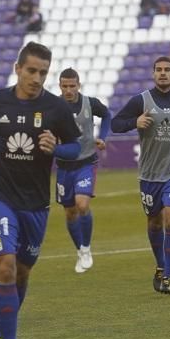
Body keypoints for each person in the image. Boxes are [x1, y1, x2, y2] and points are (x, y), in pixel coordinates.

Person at [0, 41, 81, 339]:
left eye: (43, 73)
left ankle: (0, 329)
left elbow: (76, 146)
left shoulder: (56, 108)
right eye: (31, 70)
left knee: (22, 273)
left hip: (36, 202)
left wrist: (58, 148)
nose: (36, 78)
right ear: (18, 68)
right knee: (5, 266)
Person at [111, 56, 170, 294]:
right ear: (153, 74)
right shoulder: (140, 100)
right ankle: (160, 266)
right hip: (150, 173)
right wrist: (135, 121)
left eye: (167, 70)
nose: (163, 73)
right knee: (154, 221)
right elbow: (115, 124)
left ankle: (168, 275)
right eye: (159, 70)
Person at [55, 67, 111, 273]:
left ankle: (86, 248)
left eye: (72, 86)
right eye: (64, 86)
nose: (68, 90)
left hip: (86, 162)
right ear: (60, 86)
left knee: (82, 204)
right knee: (70, 212)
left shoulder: (90, 103)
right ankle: (80, 250)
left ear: (79, 85)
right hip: (63, 166)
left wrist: (103, 137)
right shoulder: (53, 106)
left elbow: (107, 115)